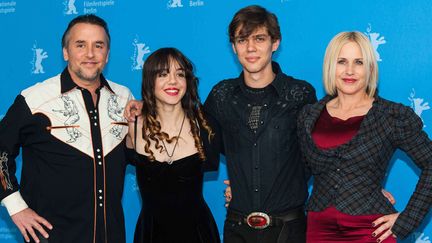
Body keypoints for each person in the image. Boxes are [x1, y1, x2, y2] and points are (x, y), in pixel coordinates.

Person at [0, 14, 132, 243]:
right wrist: (15, 206)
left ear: (107, 54)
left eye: (98, 45)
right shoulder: (34, 99)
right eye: (80, 45)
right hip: (52, 237)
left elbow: (139, 154)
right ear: (65, 52)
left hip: (111, 236)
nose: (90, 54)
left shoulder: (124, 98)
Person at [297, 31, 432, 242]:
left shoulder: (390, 116)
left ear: (370, 68)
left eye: (358, 62)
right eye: (342, 61)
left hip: (371, 232)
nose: (349, 70)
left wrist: (407, 219)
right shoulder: (308, 116)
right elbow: (296, 174)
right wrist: (248, 187)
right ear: (331, 66)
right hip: (319, 230)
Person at [204, 5, 317, 243]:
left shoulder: (301, 94)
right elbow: (193, 140)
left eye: (259, 38)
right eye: (242, 39)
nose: (251, 48)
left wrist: (367, 186)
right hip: (237, 230)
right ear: (234, 47)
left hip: (289, 230)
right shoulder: (221, 95)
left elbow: (319, 154)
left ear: (275, 43)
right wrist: (147, 108)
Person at [125, 47, 221, 243]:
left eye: (180, 74)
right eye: (163, 74)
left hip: (199, 234)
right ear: (150, 81)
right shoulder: (133, 126)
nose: (173, 81)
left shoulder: (204, 125)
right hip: (150, 235)